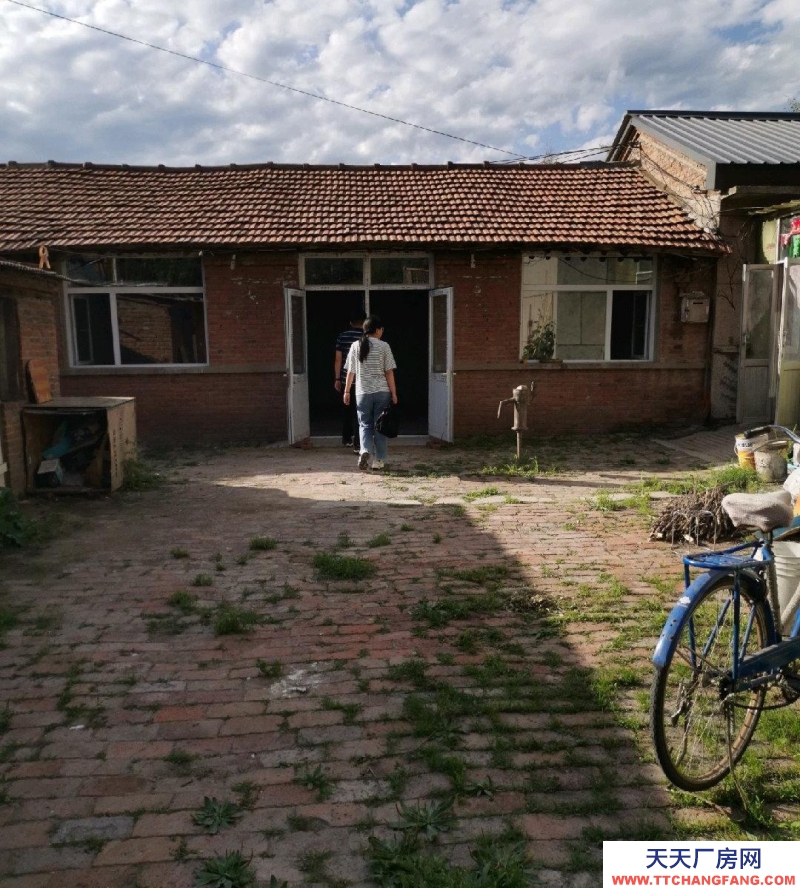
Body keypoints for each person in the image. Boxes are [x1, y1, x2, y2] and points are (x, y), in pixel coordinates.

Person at [343, 315, 398, 471]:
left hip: (362, 392)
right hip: (382, 392)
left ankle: (365, 450)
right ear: (378, 330)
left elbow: (351, 372)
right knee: (380, 426)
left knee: (364, 425)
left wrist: (347, 391)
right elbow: (389, 372)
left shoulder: (355, 346)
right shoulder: (384, 346)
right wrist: (394, 393)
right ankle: (379, 460)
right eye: (381, 329)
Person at [334, 312, 365, 451]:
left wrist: (337, 378)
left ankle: (346, 438)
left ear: (351, 322)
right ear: (364, 322)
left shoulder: (342, 336)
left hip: (346, 378)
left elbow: (338, 359)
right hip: (362, 380)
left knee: (347, 409)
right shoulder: (366, 338)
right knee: (360, 411)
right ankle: (358, 442)